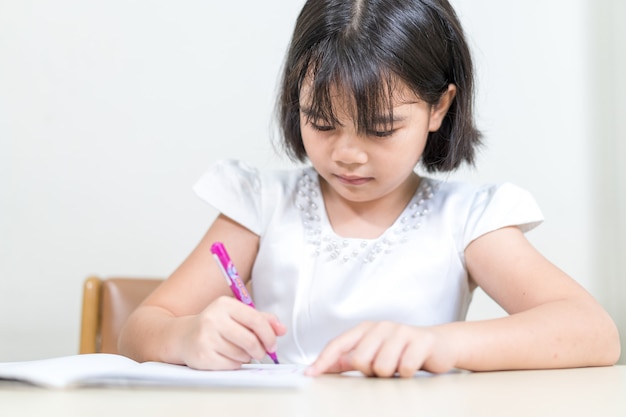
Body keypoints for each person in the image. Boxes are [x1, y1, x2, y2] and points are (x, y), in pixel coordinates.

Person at [118, 0, 620, 377]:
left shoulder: (466, 219)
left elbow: (593, 333)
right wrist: (186, 336)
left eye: (380, 129)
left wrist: (441, 345)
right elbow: (140, 329)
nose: (347, 154)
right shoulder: (260, 206)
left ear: (439, 108)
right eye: (321, 121)